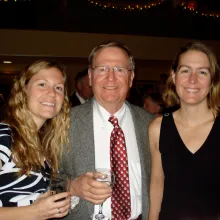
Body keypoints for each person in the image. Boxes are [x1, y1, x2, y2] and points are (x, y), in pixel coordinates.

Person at [61, 40, 154, 220]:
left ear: (131, 77)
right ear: (90, 76)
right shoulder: (63, 122)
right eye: (102, 69)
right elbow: (42, 182)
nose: (110, 78)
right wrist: (72, 187)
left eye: (119, 69)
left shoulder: (151, 124)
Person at [149, 42, 220, 220]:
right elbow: (157, 183)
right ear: (174, 76)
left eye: (202, 72)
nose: (193, 80)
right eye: (185, 70)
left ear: (212, 80)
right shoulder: (157, 128)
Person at [0, 60, 71, 219]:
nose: (52, 93)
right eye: (42, 84)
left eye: (58, 88)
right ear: (24, 91)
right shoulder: (4, 135)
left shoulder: (43, 145)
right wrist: (35, 212)